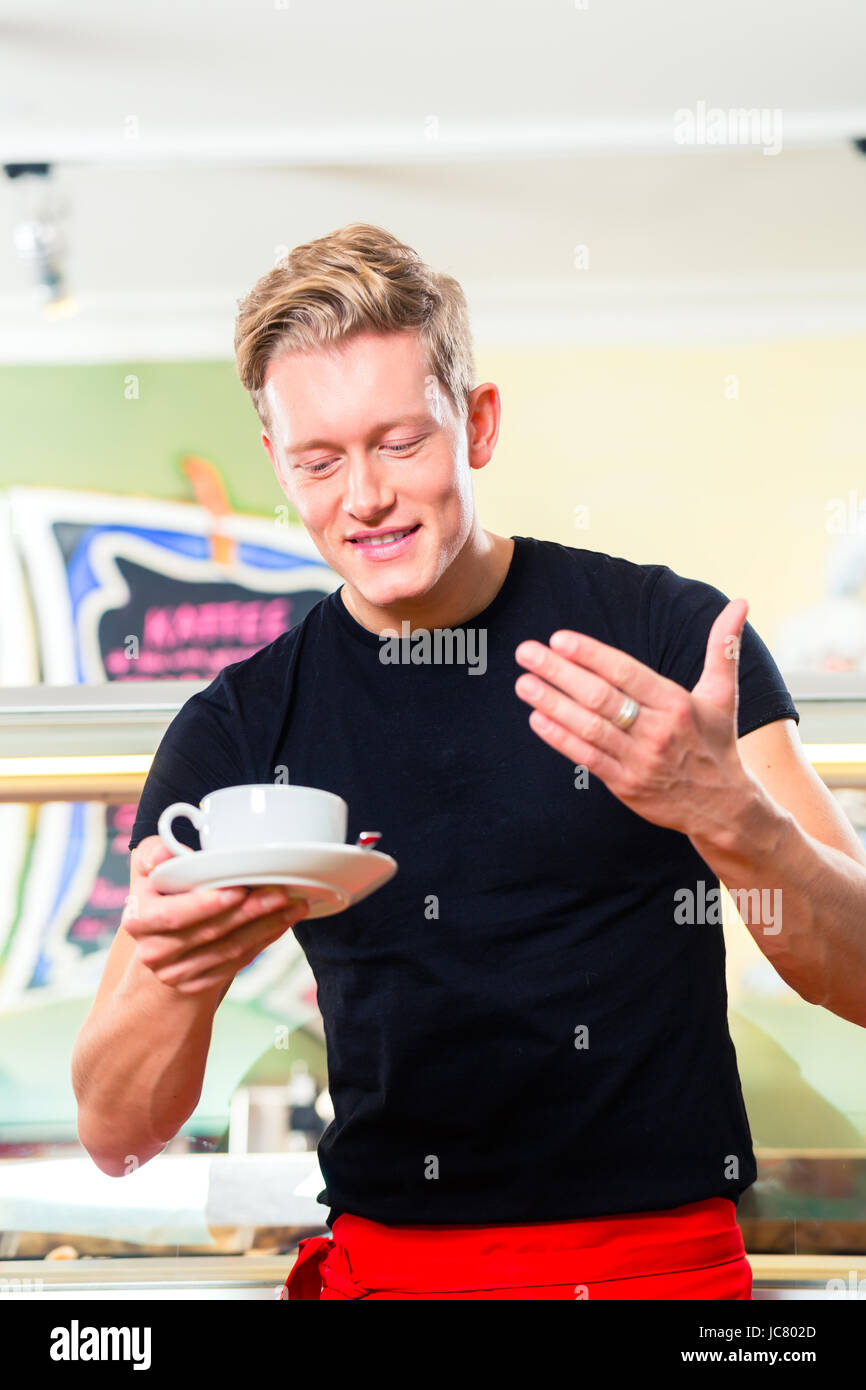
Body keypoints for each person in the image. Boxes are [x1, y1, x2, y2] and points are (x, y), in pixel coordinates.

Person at [71, 223, 866, 1300]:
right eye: (318, 460)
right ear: (276, 462)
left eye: (399, 442)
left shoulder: (667, 637)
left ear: (475, 422)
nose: (364, 497)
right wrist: (187, 973)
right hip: (394, 1275)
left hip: (655, 1269)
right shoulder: (237, 726)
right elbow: (115, 1132)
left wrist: (728, 815)